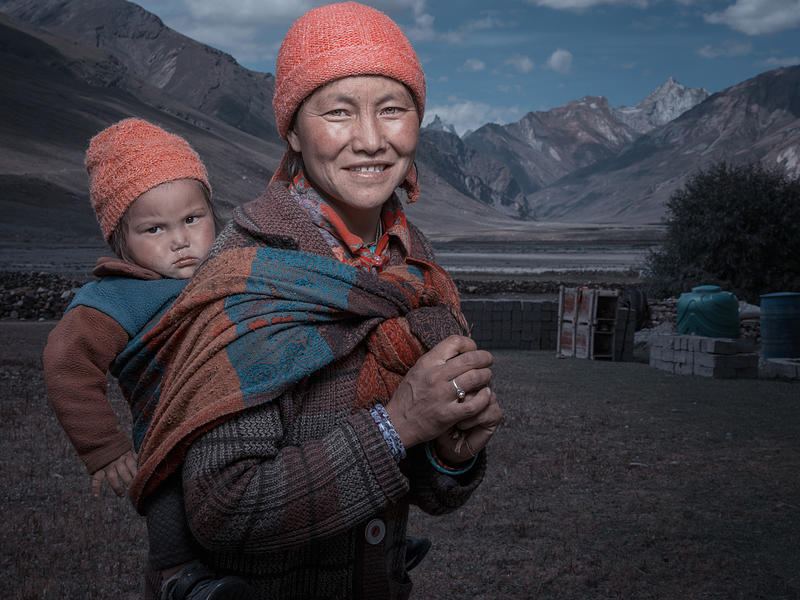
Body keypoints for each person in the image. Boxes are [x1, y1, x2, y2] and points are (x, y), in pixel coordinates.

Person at [123, 3, 503, 598]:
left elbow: (422, 493)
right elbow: (224, 510)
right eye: (339, 112)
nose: (372, 140)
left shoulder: (413, 264)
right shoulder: (252, 270)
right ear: (294, 131)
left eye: (392, 109)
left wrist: (449, 456)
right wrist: (398, 425)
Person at [42, 118, 250, 599]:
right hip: (169, 431)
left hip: (240, 413)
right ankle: (179, 581)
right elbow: (66, 362)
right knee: (168, 492)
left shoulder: (229, 271)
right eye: (155, 228)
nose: (179, 240)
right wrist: (104, 447)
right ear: (121, 241)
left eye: (192, 220)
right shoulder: (117, 297)